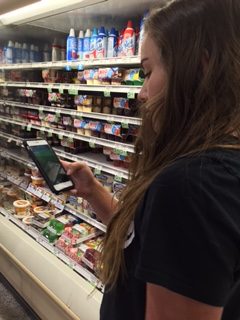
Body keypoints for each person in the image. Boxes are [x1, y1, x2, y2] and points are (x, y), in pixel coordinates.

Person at [62, 0, 240, 319]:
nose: (142, 93)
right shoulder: (215, 169)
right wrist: (92, 191)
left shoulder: (193, 185)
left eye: (147, 71)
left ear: (199, 68)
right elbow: (144, 237)